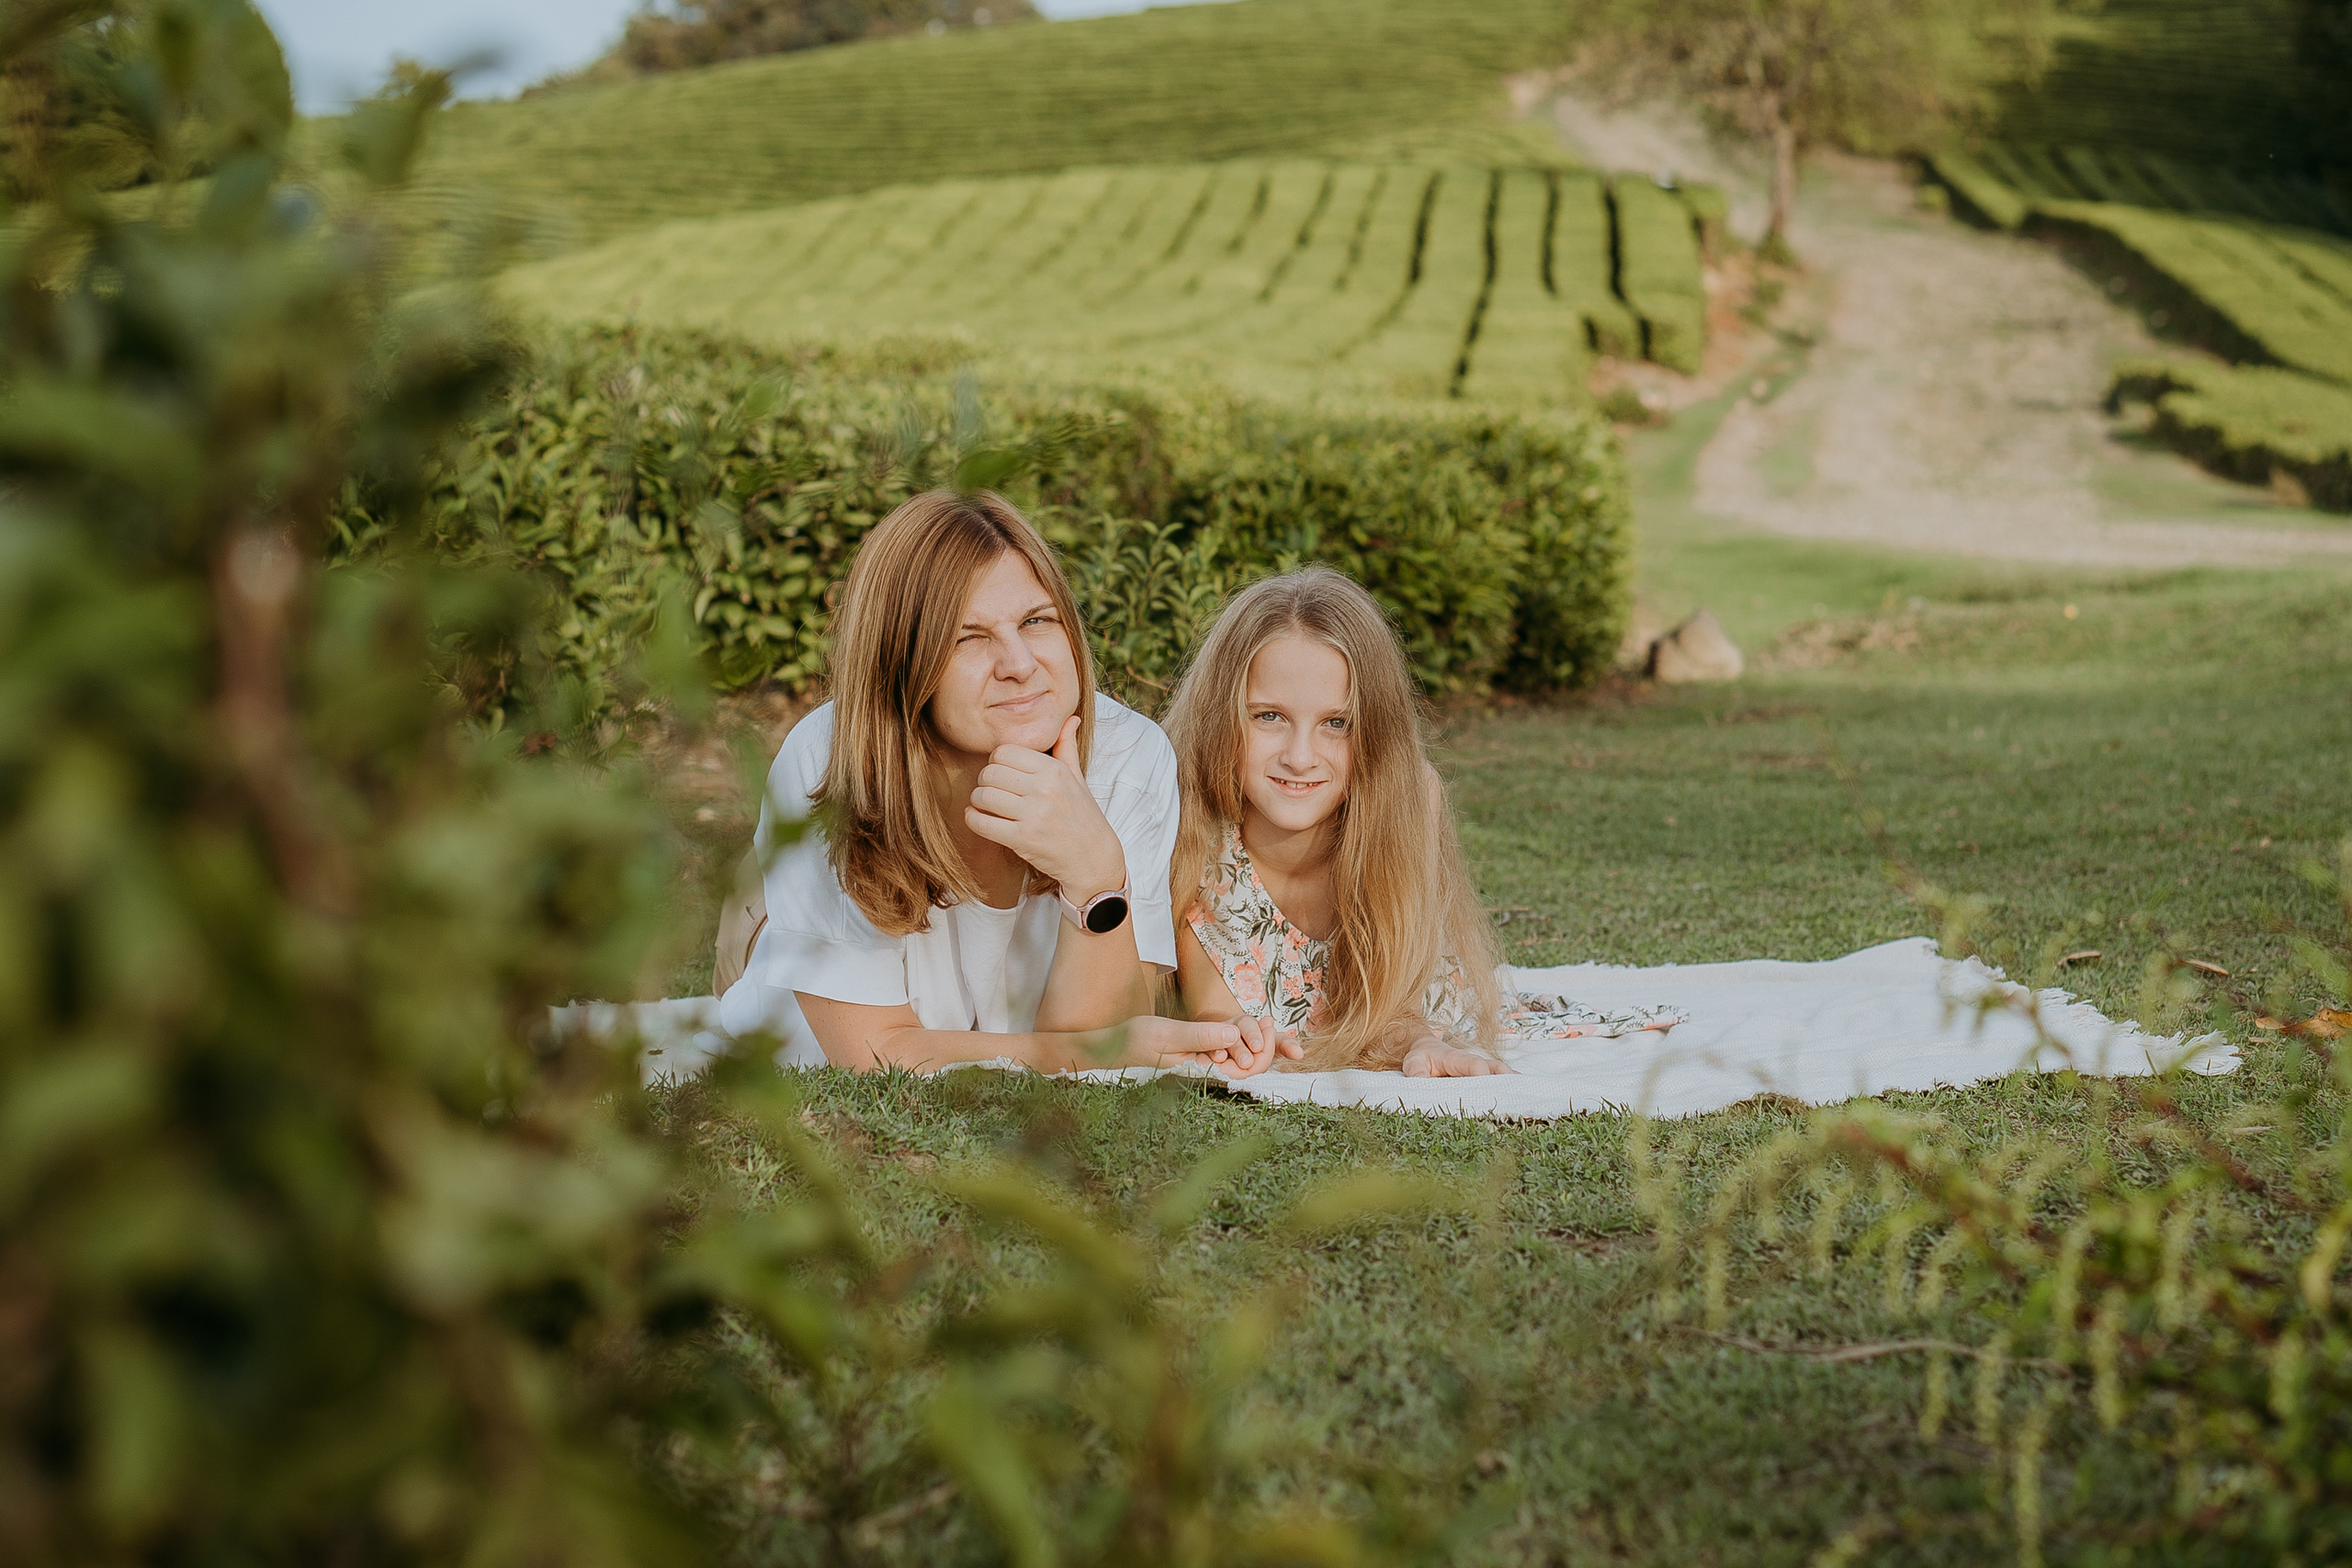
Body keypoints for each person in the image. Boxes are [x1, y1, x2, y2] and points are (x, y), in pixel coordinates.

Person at [716, 490, 1286, 1077]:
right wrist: (1063, 1052)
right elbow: (875, 1055)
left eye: (1036, 621)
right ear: (902, 662)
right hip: (779, 963)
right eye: (968, 637)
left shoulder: (1130, 755)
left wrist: (1095, 875)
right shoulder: (827, 761)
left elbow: (1102, 1046)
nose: (1019, 663)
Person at [1163, 568, 1683, 1077]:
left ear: (1376, 731)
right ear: (1220, 715)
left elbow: (1396, 1001)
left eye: (1336, 723)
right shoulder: (1194, 827)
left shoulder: (1404, 802)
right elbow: (1211, 1010)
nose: (1300, 757)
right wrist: (1233, 1037)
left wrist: (1420, 1043)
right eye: (1268, 716)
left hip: (1406, 1004)